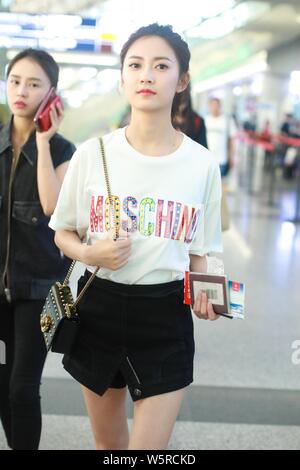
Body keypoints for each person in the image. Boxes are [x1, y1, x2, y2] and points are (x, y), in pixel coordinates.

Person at [50, 23, 223, 450]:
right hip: (99, 308)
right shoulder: (93, 154)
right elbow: (62, 234)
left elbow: (206, 250)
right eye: (135, 65)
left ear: (181, 80)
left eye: (161, 66)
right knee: (109, 448)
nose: (146, 75)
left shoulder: (201, 164)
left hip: (166, 314)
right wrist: (94, 252)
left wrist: (211, 295)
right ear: (123, 78)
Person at [0, 48, 75, 450]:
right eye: (15, 81)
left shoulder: (63, 151)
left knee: (23, 388)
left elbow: (52, 207)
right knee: (3, 384)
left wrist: (42, 143)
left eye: (34, 84)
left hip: (41, 288)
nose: (21, 91)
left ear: (51, 94)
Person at [205, 97, 237, 177]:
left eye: (216, 105)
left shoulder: (227, 120)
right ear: (209, 106)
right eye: (212, 105)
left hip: (222, 159)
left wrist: (232, 157)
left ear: (220, 106)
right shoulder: (205, 120)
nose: (214, 107)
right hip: (206, 159)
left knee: (220, 185)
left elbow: (232, 140)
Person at [172, 83, 208, 148]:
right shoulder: (165, 120)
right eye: (178, 99)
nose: (180, 106)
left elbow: (203, 148)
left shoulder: (198, 121)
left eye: (183, 100)